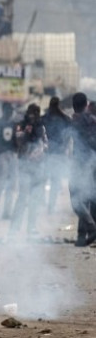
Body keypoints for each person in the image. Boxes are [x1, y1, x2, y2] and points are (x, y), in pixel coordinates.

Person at [10, 103, 47, 237]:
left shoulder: (41, 127)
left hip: (37, 166)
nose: (33, 115)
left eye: (36, 113)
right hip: (25, 165)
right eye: (31, 112)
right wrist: (26, 132)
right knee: (22, 197)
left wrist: (41, 151)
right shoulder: (21, 124)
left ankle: (31, 228)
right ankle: (14, 229)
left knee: (34, 198)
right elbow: (17, 140)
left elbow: (45, 143)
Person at [68, 93, 96, 247]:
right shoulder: (91, 120)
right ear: (86, 104)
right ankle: (83, 235)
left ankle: (89, 230)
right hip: (91, 162)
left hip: (82, 163)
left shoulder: (76, 121)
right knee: (88, 197)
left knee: (77, 199)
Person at [41, 97, 71, 214]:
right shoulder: (63, 119)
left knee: (49, 180)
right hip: (52, 154)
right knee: (51, 180)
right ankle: (48, 206)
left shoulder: (47, 118)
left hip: (52, 154)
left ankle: (48, 205)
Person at [0, 102, 18, 219]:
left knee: (11, 183)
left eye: (11, 109)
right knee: (2, 182)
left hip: (12, 154)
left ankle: (7, 211)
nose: (10, 111)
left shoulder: (15, 124)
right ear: (4, 110)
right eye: (8, 109)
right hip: (2, 154)